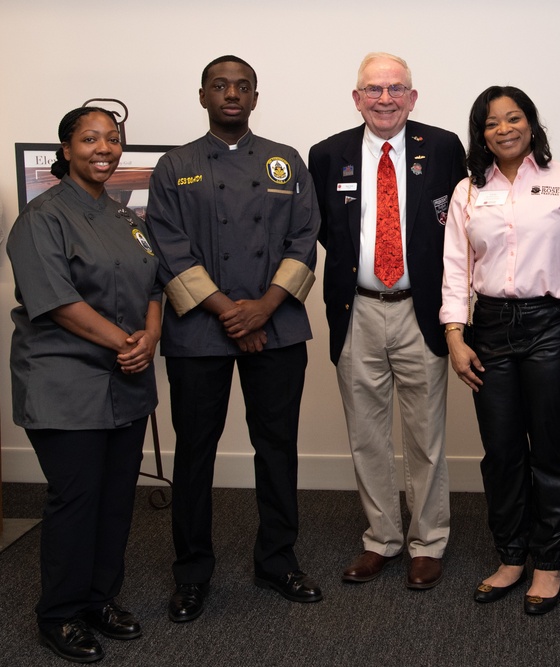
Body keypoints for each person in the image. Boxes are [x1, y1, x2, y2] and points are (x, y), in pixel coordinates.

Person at [146, 55, 322, 623]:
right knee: (194, 453)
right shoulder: (175, 167)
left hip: (277, 326)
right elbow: (168, 248)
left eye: (242, 86)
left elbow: (305, 238)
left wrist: (264, 309)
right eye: (220, 85)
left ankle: (277, 560)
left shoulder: (284, 161)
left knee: (277, 447)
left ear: (254, 96)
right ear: (202, 96)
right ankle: (192, 573)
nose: (231, 94)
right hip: (200, 330)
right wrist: (231, 314)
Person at [441, 86, 560, 615]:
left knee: (552, 450)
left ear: (532, 124)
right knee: (503, 451)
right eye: (492, 123)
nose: (504, 129)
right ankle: (511, 556)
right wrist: (455, 338)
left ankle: (548, 563)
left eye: (514, 118)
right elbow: (455, 270)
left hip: (552, 328)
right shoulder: (467, 191)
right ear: (481, 134)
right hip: (489, 329)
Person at [7, 107, 160, 663]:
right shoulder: (41, 218)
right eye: (90, 138)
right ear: (65, 149)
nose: (104, 148)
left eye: (113, 140)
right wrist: (128, 343)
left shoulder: (126, 218)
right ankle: (60, 615)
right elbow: (59, 303)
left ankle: (100, 599)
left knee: (117, 498)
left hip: (127, 379)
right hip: (64, 380)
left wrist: (149, 336)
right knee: (76, 498)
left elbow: (155, 285)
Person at [309, 52, 466, 590]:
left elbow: (461, 227)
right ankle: (381, 539)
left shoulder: (443, 148)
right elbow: (328, 230)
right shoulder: (327, 155)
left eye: (396, 88)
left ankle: (428, 541)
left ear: (413, 97)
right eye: (373, 89)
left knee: (426, 435)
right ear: (356, 98)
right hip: (357, 310)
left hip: (421, 312)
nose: (384, 99)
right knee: (367, 436)